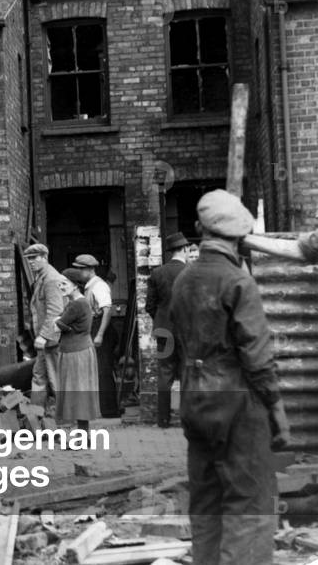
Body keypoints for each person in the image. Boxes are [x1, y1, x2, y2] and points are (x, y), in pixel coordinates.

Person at [171, 189, 290, 565]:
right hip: (237, 403)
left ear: (199, 228)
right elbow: (257, 358)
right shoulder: (239, 282)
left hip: (194, 399)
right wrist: (277, 410)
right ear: (240, 236)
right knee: (250, 504)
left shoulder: (183, 280)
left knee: (206, 501)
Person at [145, 232, 192, 428]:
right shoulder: (191, 272)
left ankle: (163, 420)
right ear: (185, 249)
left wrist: (161, 320)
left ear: (171, 251)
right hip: (187, 332)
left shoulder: (157, 273)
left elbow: (149, 305)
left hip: (164, 331)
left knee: (165, 373)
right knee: (187, 372)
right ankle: (187, 419)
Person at [23, 243, 73, 414]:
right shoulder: (42, 277)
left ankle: (66, 418)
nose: (30, 262)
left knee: (56, 378)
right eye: (28, 259)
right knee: (39, 376)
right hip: (46, 341)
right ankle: (35, 416)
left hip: (52, 340)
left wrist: (43, 336)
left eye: (34, 258)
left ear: (44, 257)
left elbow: (55, 311)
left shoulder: (51, 279)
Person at [71, 254, 118, 417]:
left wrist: (100, 334)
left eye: (80, 269)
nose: (78, 273)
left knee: (103, 370)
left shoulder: (99, 286)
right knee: (98, 369)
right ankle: (102, 408)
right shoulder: (89, 286)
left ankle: (110, 411)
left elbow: (107, 310)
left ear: (90, 269)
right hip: (95, 326)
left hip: (101, 328)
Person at [56, 268, 100, 431]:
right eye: (60, 284)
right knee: (79, 394)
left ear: (75, 285)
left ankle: (81, 435)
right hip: (77, 351)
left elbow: (58, 324)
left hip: (76, 353)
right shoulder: (76, 303)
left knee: (77, 394)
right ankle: (83, 434)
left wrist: (59, 323)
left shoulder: (77, 304)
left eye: (64, 283)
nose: (61, 287)